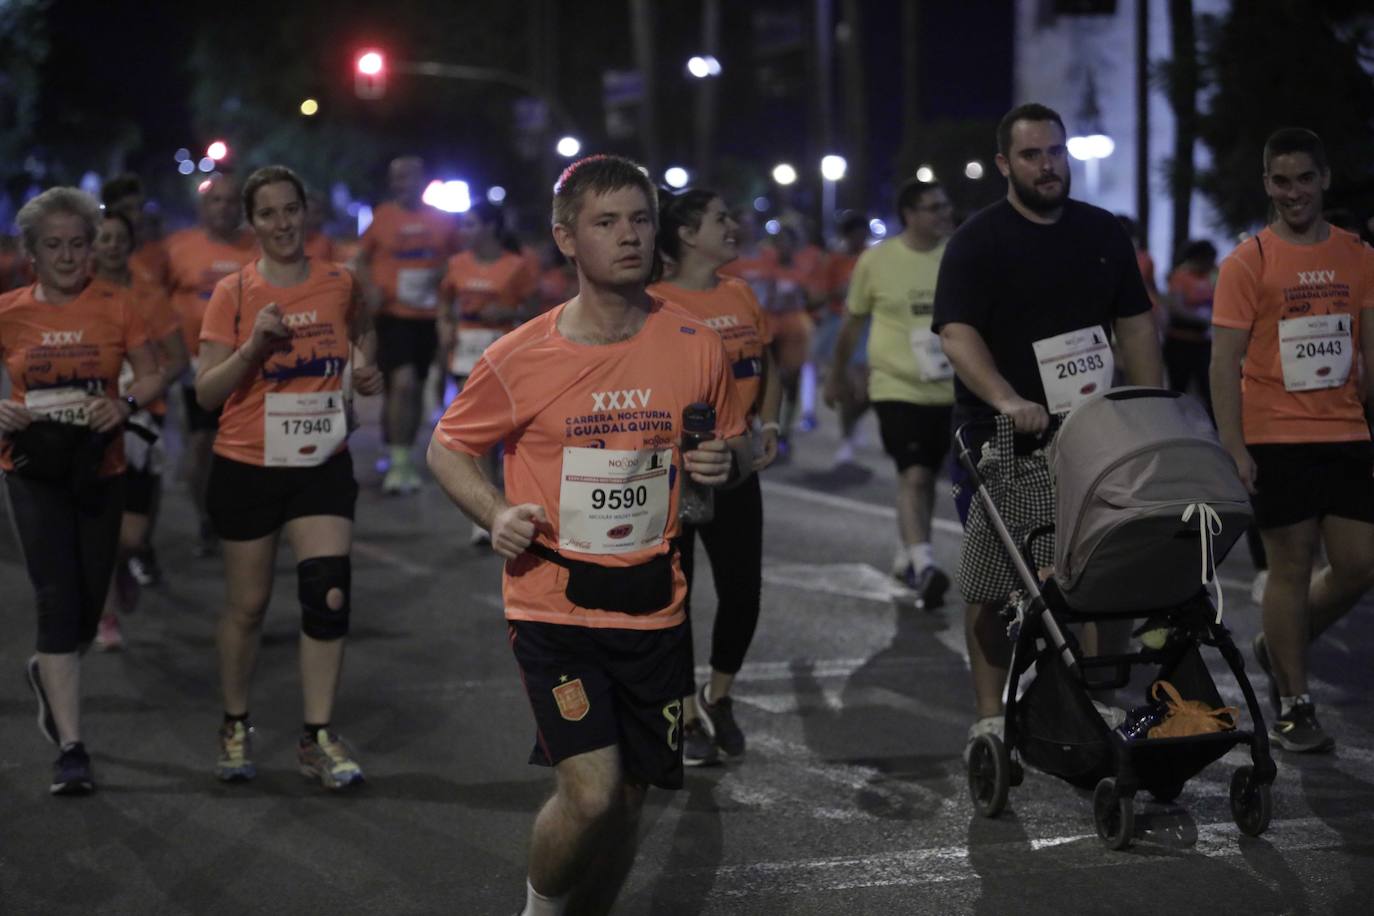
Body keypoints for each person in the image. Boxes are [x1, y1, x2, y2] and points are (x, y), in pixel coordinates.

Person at [427, 155, 749, 916]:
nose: (629, 236)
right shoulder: (519, 357)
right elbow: (447, 447)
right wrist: (496, 512)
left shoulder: (697, 344)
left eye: (640, 219)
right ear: (567, 240)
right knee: (593, 794)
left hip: (654, 606)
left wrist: (721, 462)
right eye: (607, 223)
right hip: (554, 607)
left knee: (633, 798)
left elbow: (733, 453)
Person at [933, 103, 1163, 753]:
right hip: (1000, 433)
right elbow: (957, 333)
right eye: (1032, 155)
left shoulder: (1103, 233)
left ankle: (1096, 695)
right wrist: (1006, 398)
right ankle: (989, 715)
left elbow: (1136, 323)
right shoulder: (978, 240)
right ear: (1006, 164)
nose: (1048, 165)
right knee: (994, 572)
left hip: (1093, 428)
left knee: (1106, 567)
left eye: (1056, 152)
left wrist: (1150, 404)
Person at [194, 165, 383, 787]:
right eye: (268, 213)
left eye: (290, 209)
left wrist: (361, 370)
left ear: (307, 212)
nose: (282, 223)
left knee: (328, 593)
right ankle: (233, 723)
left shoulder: (339, 281)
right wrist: (253, 346)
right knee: (248, 608)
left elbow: (359, 330)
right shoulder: (235, 293)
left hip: (321, 464)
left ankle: (317, 737)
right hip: (247, 465)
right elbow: (205, 394)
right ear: (251, 224)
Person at [1210, 127, 1374, 754]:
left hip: (1346, 428)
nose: (1295, 191)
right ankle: (1296, 704)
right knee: (1291, 563)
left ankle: (1283, 643)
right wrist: (1235, 445)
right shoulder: (1248, 261)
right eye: (1282, 180)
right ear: (1267, 186)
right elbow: (1223, 363)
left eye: (1306, 177)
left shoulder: (1358, 255)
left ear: (1325, 179)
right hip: (1275, 432)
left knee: (1361, 562)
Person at [1, 187, 168, 794]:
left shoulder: (116, 306)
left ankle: (49, 669)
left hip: (101, 466)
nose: (68, 256)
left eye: (77, 244)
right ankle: (72, 748)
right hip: (31, 470)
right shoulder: (9, 311)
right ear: (31, 253)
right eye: (54, 246)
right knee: (54, 597)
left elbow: (151, 373)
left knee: (89, 602)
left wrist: (119, 404)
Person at [650, 187, 782, 766]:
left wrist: (769, 422)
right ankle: (682, 712)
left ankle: (718, 695)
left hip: (736, 465)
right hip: (676, 472)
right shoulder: (652, 302)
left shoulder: (741, 293)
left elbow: (767, 363)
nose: (734, 225)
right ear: (685, 234)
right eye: (721, 217)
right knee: (674, 595)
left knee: (743, 591)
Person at [828, 178, 957, 605]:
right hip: (894, 384)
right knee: (913, 473)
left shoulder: (956, 255)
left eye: (945, 207)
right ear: (910, 214)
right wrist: (837, 373)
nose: (943, 214)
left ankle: (909, 551)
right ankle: (924, 565)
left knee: (928, 476)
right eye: (933, 208)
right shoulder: (877, 260)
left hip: (948, 387)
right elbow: (852, 321)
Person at [91, 210, 189, 648]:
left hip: (144, 419)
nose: (111, 245)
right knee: (98, 521)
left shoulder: (150, 293)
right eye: (102, 238)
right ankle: (106, 614)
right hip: (94, 420)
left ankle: (121, 568)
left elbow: (179, 358)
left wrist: (147, 386)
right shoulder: (78, 294)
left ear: (130, 245)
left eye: (118, 238)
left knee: (130, 535)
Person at [164, 172, 258, 556]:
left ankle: (245, 513)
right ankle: (208, 518)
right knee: (202, 445)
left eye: (231, 200)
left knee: (245, 448)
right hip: (197, 365)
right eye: (216, 200)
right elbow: (157, 305)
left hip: (249, 365)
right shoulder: (177, 248)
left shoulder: (258, 249)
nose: (224, 207)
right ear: (202, 207)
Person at [437, 202, 538, 543]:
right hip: (467, 351)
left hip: (507, 350)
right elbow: (444, 307)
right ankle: (485, 512)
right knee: (480, 433)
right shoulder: (455, 264)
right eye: (462, 225)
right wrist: (446, 328)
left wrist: (509, 310)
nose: (463, 231)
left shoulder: (517, 266)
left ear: (492, 228)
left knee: (510, 432)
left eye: (470, 224)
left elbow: (538, 311)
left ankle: (517, 498)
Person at [355, 155, 456, 494]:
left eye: (410, 176)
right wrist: (370, 288)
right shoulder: (381, 218)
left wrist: (445, 278)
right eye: (397, 177)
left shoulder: (442, 221)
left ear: (422, 179)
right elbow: (361, 259)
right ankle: (398, 463)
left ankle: (403, 451)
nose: (404, 183)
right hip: (393, 315)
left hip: (426, 317)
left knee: (411, 390)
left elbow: (457, 258)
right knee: (404, 384)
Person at [815, 213, 872, 466]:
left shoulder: (871, 259)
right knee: (848, 388)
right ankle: (847, 439)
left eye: (863, 233)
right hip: (842, 324)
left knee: (870, 391)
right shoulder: (834, 261)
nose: (860, 238)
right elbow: (823, 293)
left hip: (869, 326)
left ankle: (854, 423)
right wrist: (842, 290)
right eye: (855, 233)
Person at [1164, 239, 1219, 415]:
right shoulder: (1181, 276)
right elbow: (1176, 307)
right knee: (1178, 387)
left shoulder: (1212, 275)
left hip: (1204, 342)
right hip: (1180, 342)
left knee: (1208, 386)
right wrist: (1201, 318)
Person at [101, 173, 169, 290]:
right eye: (126, 209)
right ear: (109, 213)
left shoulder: (161, 255)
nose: (137, 217)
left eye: (140, 208)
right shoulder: (95, 259)